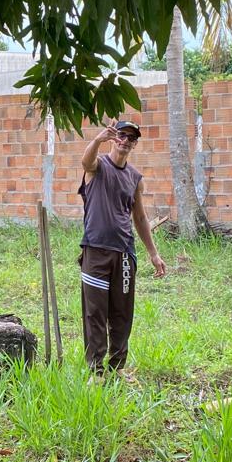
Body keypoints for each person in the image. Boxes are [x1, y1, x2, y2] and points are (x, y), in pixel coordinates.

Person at [79, 120, 167, 374]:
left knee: (121, 314)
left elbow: (139, 217)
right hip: (95, 250)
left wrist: (153, 253)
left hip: (125, 254)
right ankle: (95, 371)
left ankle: (117, 368)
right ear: (114, 137)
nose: (126, 140)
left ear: (135, 144)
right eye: (122, 135)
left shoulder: (134, 178)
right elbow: (86, 163)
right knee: (95, 313)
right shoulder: (98, 166)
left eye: (131, 138)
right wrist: (97, 140)